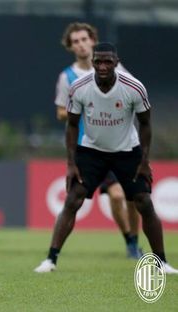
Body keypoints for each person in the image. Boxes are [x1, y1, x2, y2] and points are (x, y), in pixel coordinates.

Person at [34, 42, 178, 274]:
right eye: (98, 61)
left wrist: (144, 161)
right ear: (92, 63)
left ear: (116, 62)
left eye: (107, 61)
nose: (102, 66)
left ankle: (161, 261)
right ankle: (50, 260)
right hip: (92, 152)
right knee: (73, 200)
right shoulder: (79, 87)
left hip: (127, 152)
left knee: (144, 202)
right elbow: (71, 126)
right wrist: (71, 163)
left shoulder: (133, 87)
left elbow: (145, 124)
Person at [53, 22, 142, 259]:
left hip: (120, 144)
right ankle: (129, 241)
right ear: (70, 47)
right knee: (111, 196)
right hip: (88, 148)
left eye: (84, 39)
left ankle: (133, 241)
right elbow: (61, 112)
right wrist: (83, 107)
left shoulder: (116, 68)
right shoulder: (68, 77)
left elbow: (134, 96)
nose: (81, 45)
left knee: (129, 197)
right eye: (76, 42)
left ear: (92, 40)